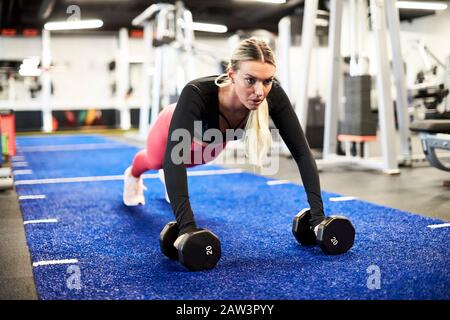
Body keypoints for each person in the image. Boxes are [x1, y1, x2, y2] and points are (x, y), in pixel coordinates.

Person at [123, 37, 325, 241]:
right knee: (157, 161)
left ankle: (169, 177)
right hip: (169, 127)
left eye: (267, 81)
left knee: (198, 159)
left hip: (208, 147)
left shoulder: (273, 95)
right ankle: (132, 175)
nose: (260, 91)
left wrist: (318, 219)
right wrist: (187, 227)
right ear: (232, 74)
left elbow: (301, 151)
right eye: (250, 80)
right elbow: (175, 158)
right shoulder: (197, 92)